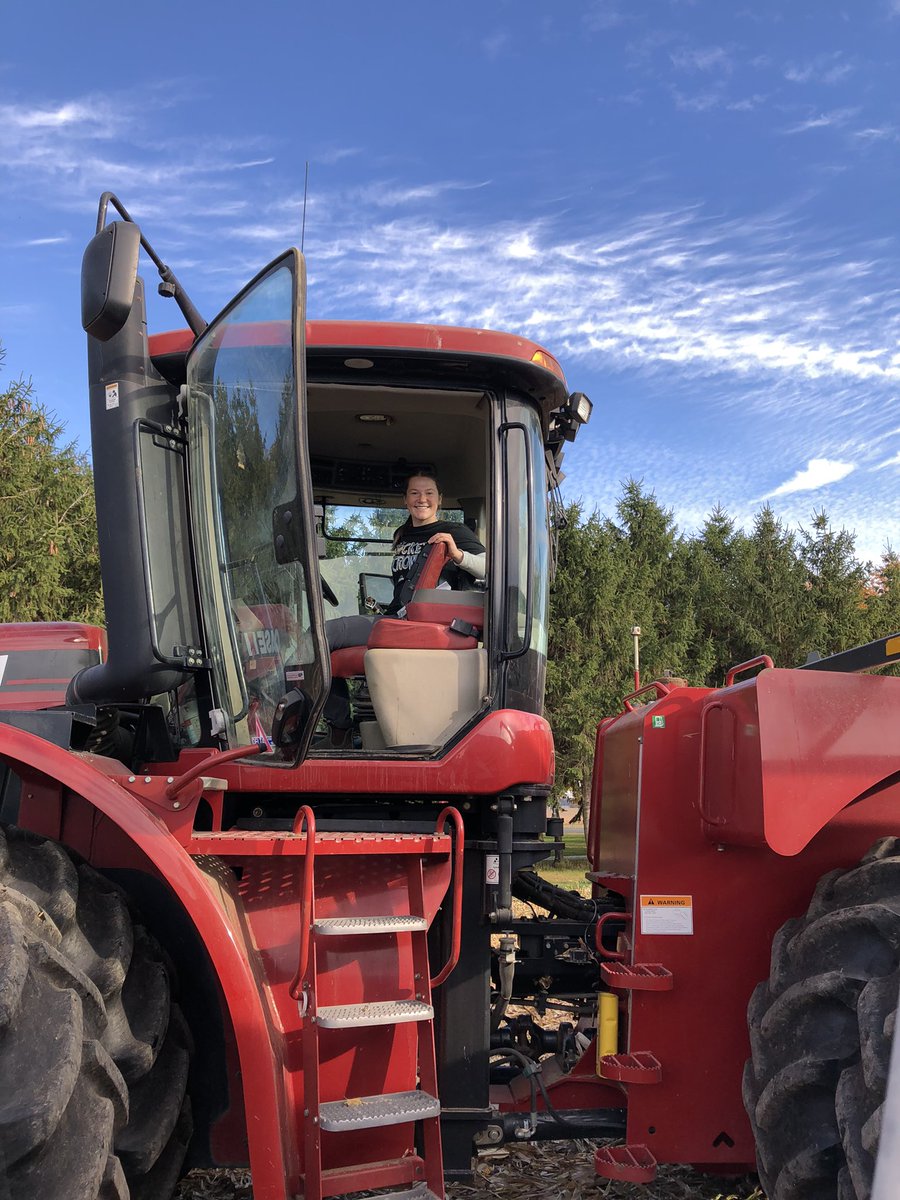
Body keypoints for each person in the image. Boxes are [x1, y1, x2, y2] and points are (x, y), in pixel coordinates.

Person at [321, 472, 486, 744]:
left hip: (412, 625)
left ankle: (338, 732)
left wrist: (457, 554)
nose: (422, 499)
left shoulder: (453, 532)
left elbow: (490, 566)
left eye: (429, 493)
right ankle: (340, 726)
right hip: (395, 617)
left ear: (440, 499)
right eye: (414, 493)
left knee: (325, 634)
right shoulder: (402, 534)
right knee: (319, 645)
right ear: (406, 500)